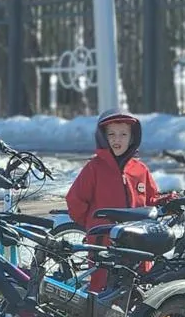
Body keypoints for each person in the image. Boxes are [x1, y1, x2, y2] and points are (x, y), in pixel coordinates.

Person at [65, 111, 159, 294]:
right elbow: (75, 200)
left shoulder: (140, 170)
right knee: (103, 289)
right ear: (103, 137)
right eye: (112, 134)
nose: (118, 139)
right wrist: (93, 225)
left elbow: (150, 199)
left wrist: (166, 201)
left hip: (136, 242)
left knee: (137, 289)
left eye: (123, 134)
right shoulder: (94, 168)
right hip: (104, 243)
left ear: (132, 138)